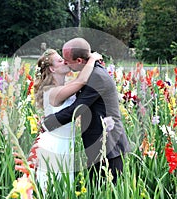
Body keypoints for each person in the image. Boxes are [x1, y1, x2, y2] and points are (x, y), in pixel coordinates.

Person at [42, 38, 131, 185]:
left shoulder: (97, 77)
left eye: (66, 60)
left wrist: (47, 124)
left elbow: (77, 108)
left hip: (108, 145)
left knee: (106, 191)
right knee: (96, 190)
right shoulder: (91, 72)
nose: (65, 63)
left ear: (78, 60)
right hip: (98, 144)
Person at [15, 48, 102, 195]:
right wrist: (92, 59)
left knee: (63, 188)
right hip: (54, 147)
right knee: (52, 189)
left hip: (65, 145)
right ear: (52, 69)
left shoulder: (64, 86)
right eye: (60, 60)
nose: (65, 61)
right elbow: (81, 80)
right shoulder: (52, 91)